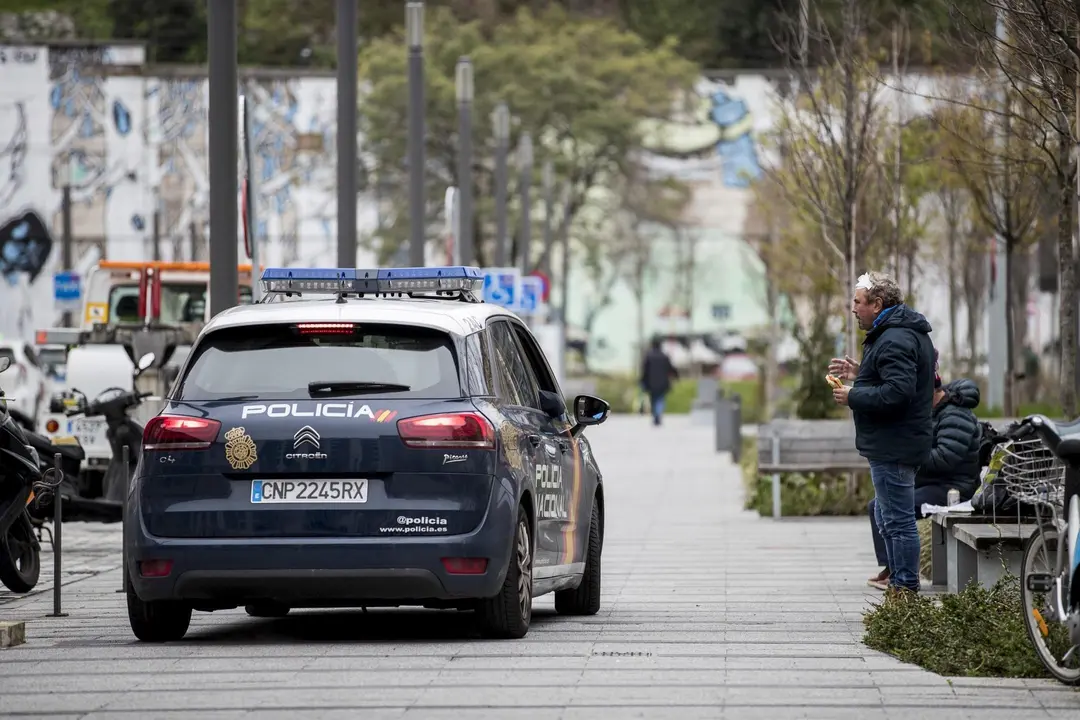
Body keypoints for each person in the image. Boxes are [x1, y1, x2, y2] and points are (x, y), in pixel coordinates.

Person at [829, 271, 935, 594]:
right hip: (894, 442)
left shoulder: (895, 338)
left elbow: (897, 393)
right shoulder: (897, 333)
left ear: (877, 304)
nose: (853, 308)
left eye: (858, 302)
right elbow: (897, 380)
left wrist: (853, 395)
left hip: (895, 445)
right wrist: (861, 373)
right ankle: (898, 581)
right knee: (886, 515)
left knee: (898, 521)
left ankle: (904, 587)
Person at [866, 356, 983, 590]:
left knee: (897, 508)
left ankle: (903, 573)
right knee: (877, 505)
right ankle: (892, 567)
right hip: (932, 482)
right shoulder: (931, 411)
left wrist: (907, 455)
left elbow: (946, 458)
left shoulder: (955, 415)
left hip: (953, 488)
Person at [640, 336, 678, 426]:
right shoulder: (664, 356)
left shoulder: (649, 356)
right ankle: (658, 414)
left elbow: (645, 370)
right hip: (663, 382)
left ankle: (656, 415)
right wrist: (676, 376)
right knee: (660, 399)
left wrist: (643, 381)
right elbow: (671, 368)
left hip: (651, 382)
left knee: (653, 399)